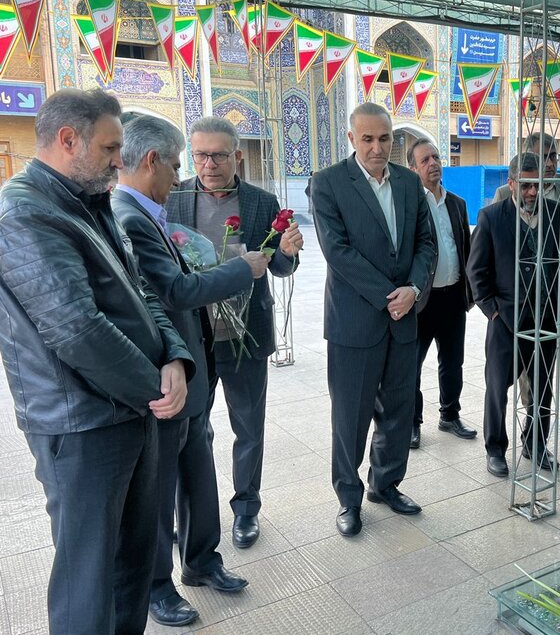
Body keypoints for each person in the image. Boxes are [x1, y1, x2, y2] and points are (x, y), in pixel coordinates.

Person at [0, 89, 193, 634]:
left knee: (132, 563)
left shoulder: (88, 200)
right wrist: (155, 389)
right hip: (81, 424)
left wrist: (174, 356)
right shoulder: (25, 212)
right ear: (68, 140)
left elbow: (141, 290)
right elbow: (76, 328)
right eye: (110, 148)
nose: (118, 160)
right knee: (88, 579)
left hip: (128, 407)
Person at [113, 116, 270, 626]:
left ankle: (202, 560)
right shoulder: (131, 217)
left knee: (198, 470)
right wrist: (241, 267)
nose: (188, 171)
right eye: (183, 161)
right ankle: (157, 585)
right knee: (159, 488)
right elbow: (175, 292)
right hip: (169, 374)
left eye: (214, 155)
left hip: (195, 364)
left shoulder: (151, 211)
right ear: (153, 161)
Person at [166, 116, 304, 549]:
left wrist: (287, 253)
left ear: (237, 156)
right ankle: (191, 513)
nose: (209, 164)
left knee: (248, 428)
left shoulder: (261, 202)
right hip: (192, 337)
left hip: (245, 336)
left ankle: (246, 508)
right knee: (191, 431)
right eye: (200, 155)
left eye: (219, 155)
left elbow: (278, 267)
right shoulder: (174, 198)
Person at [309, 103, 435, 537]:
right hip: (355, 323)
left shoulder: (408, 182)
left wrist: (413, 289)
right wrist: (389, 297)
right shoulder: (328, 183)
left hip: (403, 319)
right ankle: (349, 497)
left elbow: (425, 243)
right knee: (351, 416)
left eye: (384, 138)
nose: (377, 147)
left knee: (398, 410)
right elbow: (337, 251)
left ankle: (386, 483)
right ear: (352, 139)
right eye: (368, 139)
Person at [468, 152, 560, 478]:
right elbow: (476, 270)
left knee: (543, 387)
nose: (532, 192)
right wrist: (492, 310)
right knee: (497, 387)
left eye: (537, 185)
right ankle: (495, 449)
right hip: (505, 320)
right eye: (526, 185)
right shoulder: (491, 217)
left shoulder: (555, 213)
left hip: (546, 319)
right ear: (511, 183)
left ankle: (536, 444)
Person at [493, 132, 560, 432]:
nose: (551, 163)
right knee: (530, 354)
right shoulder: (505, 193)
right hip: (526, 293)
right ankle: (532, 411)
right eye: (544, 156)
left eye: (554, 156)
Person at [406, 139, 476, 449]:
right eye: (425, 160)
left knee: (452, 362)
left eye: (436, 157)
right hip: (421, 301)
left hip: (453, 299)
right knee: (412, 366)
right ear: (413, 169)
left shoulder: (457, 203)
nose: (433, 163)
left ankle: (450, 415)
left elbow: (466, 248)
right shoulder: (410, 206)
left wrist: (470, 293)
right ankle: (412, 422)